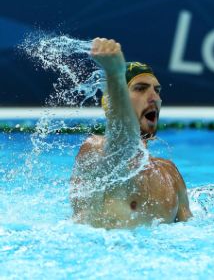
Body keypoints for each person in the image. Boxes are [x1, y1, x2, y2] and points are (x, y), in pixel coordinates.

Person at [70, 38, 192, 229]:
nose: (155, 98)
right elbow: (123, 143)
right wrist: (115, 74)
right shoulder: (94, 151)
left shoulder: (170, 173)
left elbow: (190, 234)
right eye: (140, 89)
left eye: (157, 90)